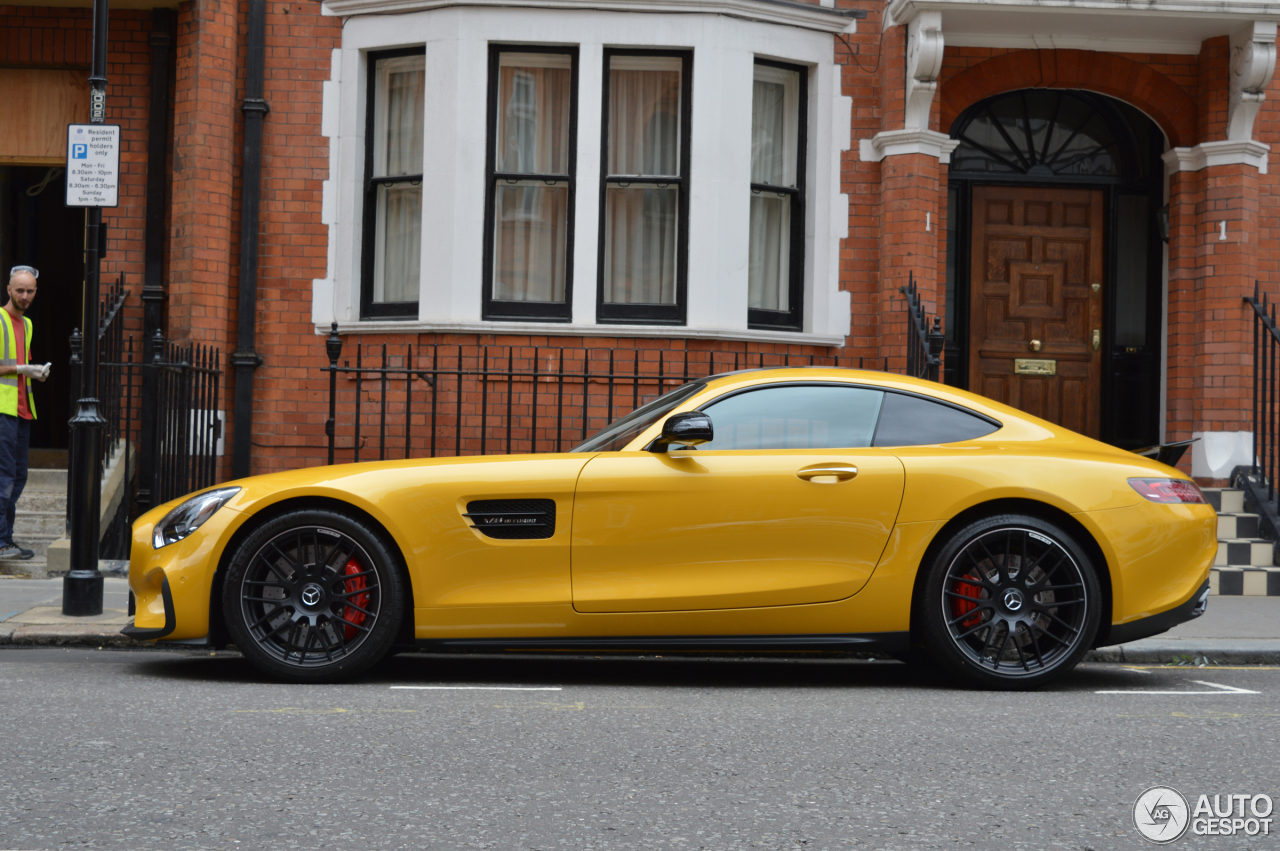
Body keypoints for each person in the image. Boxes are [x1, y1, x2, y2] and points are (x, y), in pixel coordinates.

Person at [0, 266, 50, 560]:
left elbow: (22, 366)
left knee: (17, 478)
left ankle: (5, 539)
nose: (25, 296)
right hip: (3, 410)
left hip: (21, 411)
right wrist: (22, 369)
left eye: (30, 291)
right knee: (5, 477)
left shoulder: (28, 325)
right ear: (8, 289)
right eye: (20, 290)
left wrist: (35, 373)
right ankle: (2, 542)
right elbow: (14, 366)